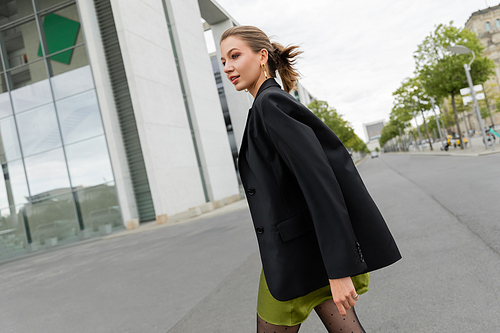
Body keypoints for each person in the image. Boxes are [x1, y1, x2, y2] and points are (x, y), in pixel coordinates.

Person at [220, 26, 401, 333]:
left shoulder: (270, 105)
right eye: (223, 60)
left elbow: (320, 184)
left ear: (262, 56)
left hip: (297, 257)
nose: (227, 67)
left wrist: (340, 269)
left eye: (235, 56)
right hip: (304, 251)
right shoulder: (266, 106)